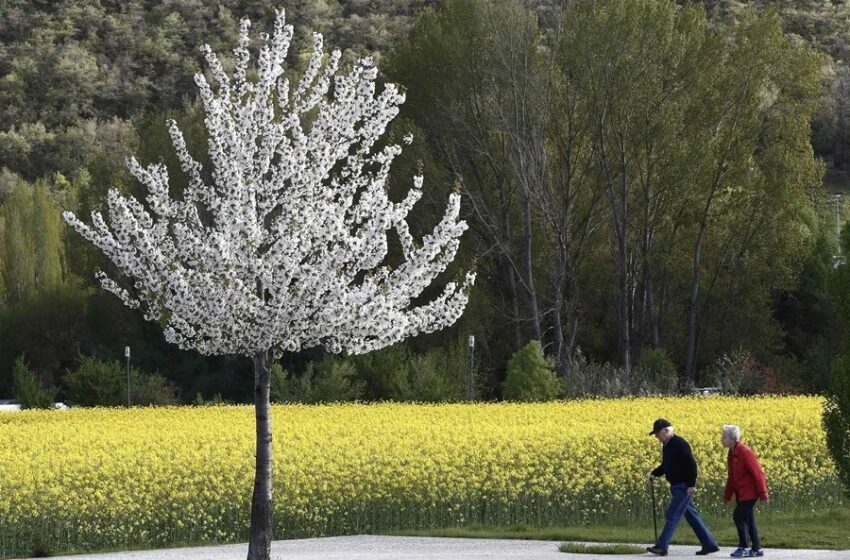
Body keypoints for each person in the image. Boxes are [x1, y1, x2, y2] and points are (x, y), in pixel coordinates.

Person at [646, 418, 719, 557]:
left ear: (666, 430)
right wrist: (653, 474)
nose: (656, 437)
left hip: (683, 486)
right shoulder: (667, 445)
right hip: (676, 486)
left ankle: (662, 546)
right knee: (692, 516)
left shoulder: (679, 443)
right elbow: (666, 466)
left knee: (672, 515)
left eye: (657, 433)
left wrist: (691, 485)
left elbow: (692, 465)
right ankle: (709, 544)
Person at [722, 424, 768, 558]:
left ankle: (743, 546)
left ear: (731, 438)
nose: (721, 439)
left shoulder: (744, 451)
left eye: (724, 436)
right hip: (741, 494)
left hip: (750, 493)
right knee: (748, 519)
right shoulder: (731, 452)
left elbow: (758, 473)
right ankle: (757, 548)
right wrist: (727, 496)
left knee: (738, 516)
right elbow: (732, 477)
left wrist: (763, 494)